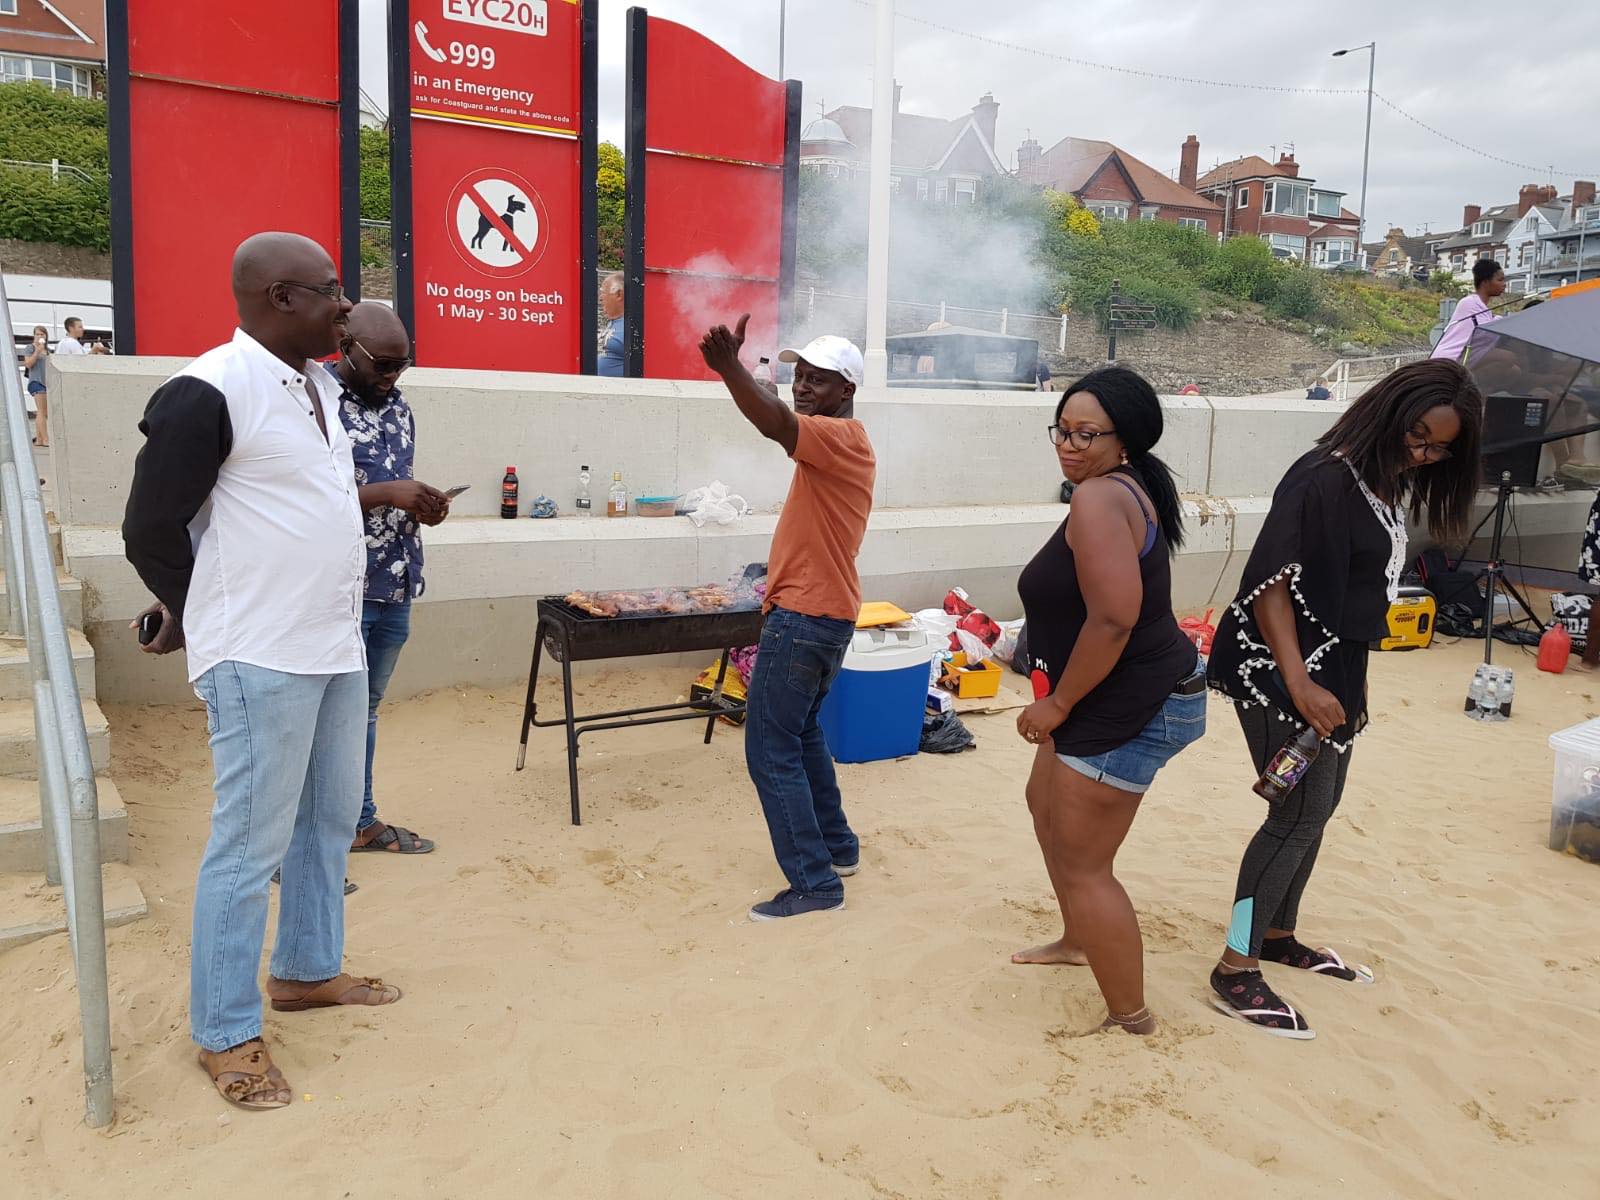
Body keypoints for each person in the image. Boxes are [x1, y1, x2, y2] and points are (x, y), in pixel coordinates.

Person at [122, 232, 401, 1112]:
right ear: (282, 297)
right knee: (248, 849)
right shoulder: (211, 388)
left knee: (323, 826)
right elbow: (149, 526)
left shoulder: (318, 384)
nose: (346, 306)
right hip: (260, 657)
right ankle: (225, 1030)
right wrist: (195, 611)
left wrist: (362, 340)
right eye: (331, 293)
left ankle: (307, 972)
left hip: (333, 648)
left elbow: (384, 355)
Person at [1205, 359, 1483, 1039]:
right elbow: (1270, 580)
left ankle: (1275, 933)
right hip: (1280, 666)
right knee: (1293, 816)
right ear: (1389, 412)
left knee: (1319, 808)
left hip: (1338, 667)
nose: (1423, 454)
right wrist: (1299, 681)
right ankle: (1236, 967)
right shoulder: (1322, 475)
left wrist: (1343, 682)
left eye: (1438, 447)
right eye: (1417, 436)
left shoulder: (1383, 482)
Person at [1010, 366, 1205, 1036]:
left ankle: (1132, 1016)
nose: (1068, 444)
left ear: (1124, 439)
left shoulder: (1100, 499)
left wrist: (1058, 705)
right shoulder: (1118, 485)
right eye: (1061, 430)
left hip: (1131, 702)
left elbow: (1115, 619)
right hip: (1123, 690)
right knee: (1044, 805)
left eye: (1085, 434)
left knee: (1084, 862)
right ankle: (1077, 940)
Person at [699, 318, 875, 921]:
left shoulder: (838, 436)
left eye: (818, 381)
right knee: (801, 735)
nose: (803, 388)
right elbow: (778, 414)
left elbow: (773, 422)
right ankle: (837, 848)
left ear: (845, 390)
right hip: (823, 613)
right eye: (799, 377)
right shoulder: (840, 440)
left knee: (769, 749)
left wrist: (728, 369)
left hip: (804, 617)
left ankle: (815, 884)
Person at [332, 301, 446, 857]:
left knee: (365, 711)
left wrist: (423, 505)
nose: (391, 377)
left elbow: (394, 491)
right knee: (325, 714)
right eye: (381, 365)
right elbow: (298, 503)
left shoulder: (400, 409)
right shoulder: (315, 403)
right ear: (345, 348)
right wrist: (386, 493)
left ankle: (358, 821)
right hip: (338, 588)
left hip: (394, 583)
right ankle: (305, 841)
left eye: (402, 366)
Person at [1431, 259, 1505, 362]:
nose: (1504, 284)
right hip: (1447, 361)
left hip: (1462, 361)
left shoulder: (1485, 311)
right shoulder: (1469, 303)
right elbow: (1485, 332)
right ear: (1485, 282)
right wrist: (1501, 320)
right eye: (1500, 280)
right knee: (1506, 357)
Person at [23, 326, 49, 447]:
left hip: (46, 382)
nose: (40, 337)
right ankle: (45, 439)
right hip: (36, 381)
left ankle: (39, 439)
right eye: (37, 334)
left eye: (42, 334)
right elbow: (28, 364)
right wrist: (37, 351)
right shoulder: (30, 348)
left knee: (44, 411)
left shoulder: (47, 350)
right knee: (41, 410)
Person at [596, 271, 625, 376]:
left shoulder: (632, 327)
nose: (600, 298)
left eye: (603, 292)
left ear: (619, 295)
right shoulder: (614, 322)